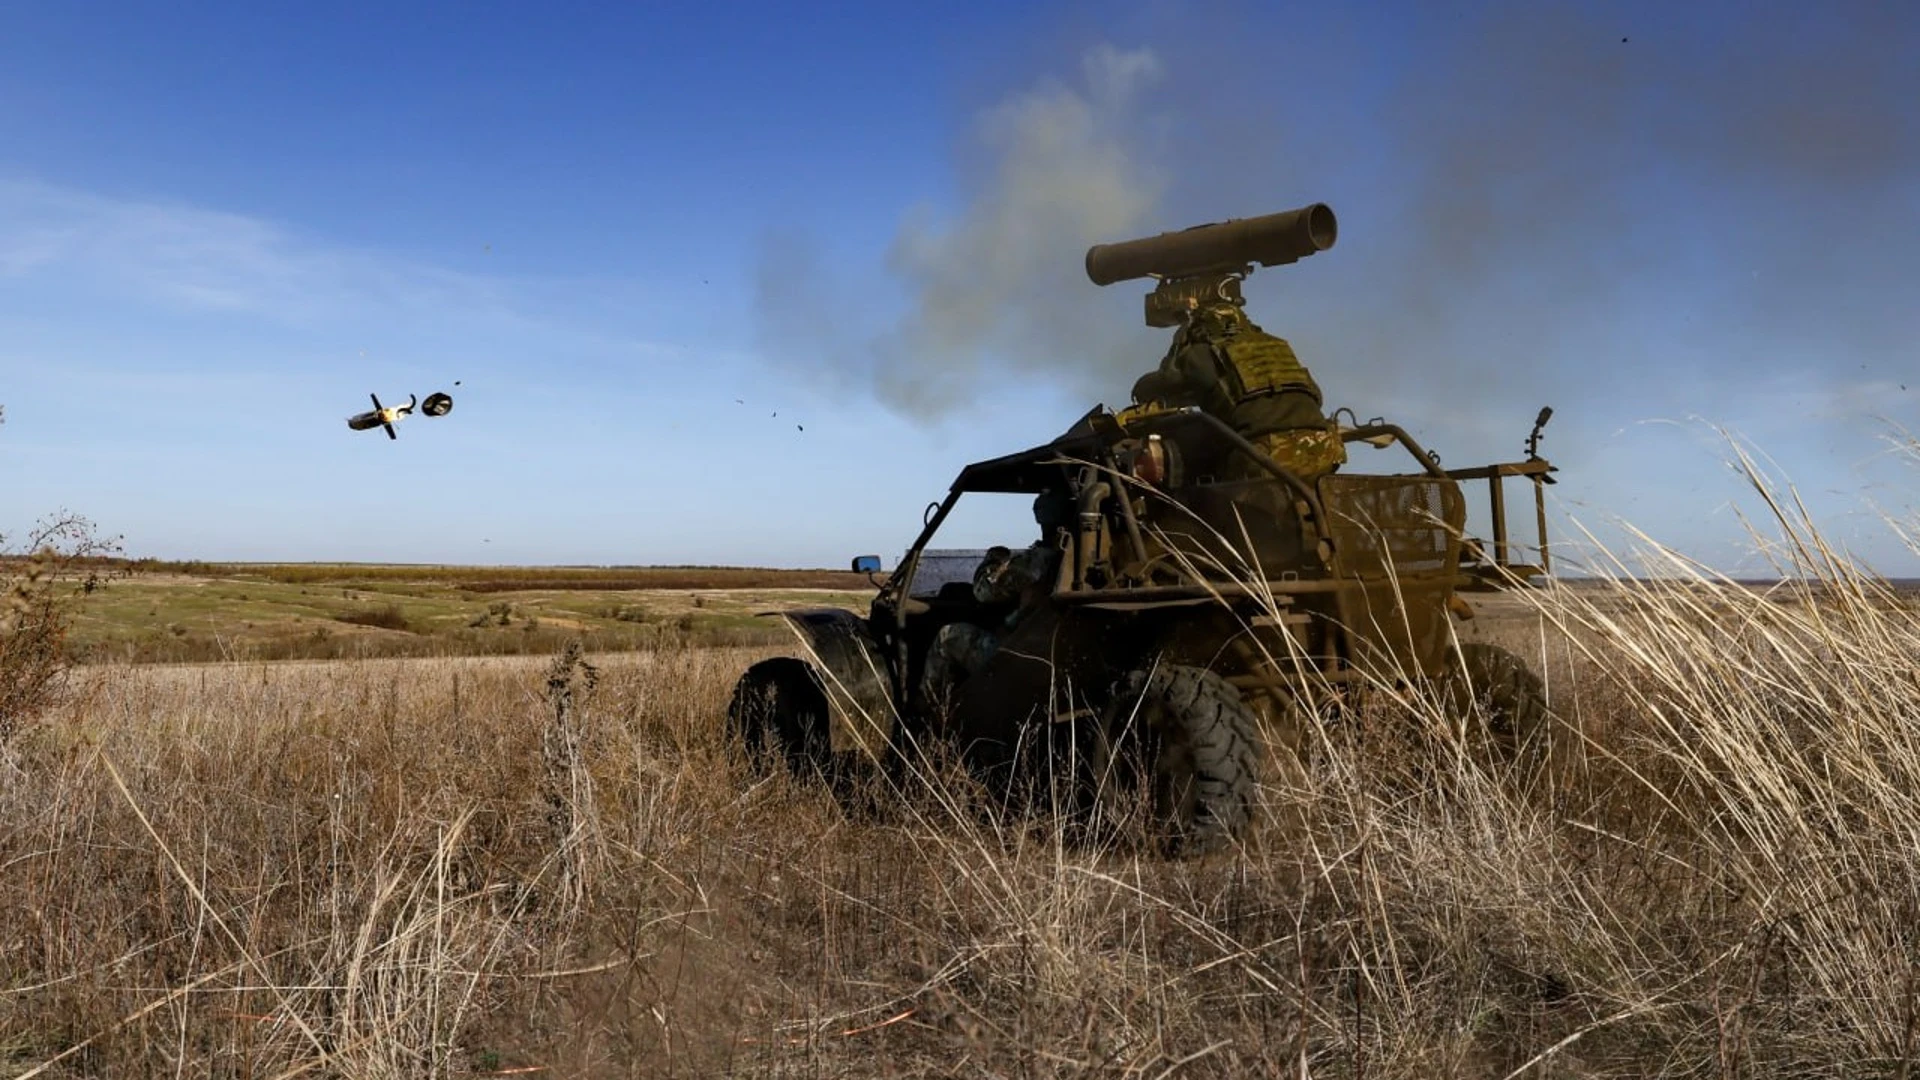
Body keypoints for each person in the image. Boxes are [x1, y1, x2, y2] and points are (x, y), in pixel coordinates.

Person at [1122, 299, 1346, 482]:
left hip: (1266, 457)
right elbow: (1316, 395)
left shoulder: (1201, 353)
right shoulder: (1277, 345)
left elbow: (1155, 387)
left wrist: (1179, 345)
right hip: (1324, 449)